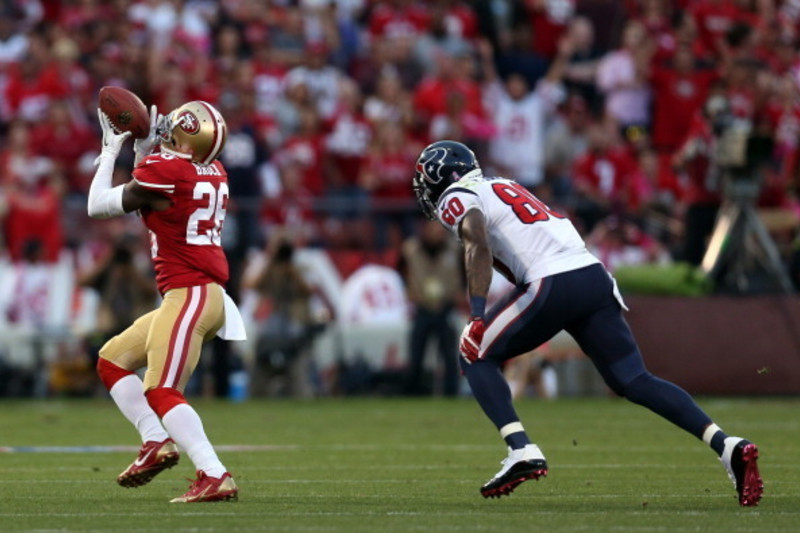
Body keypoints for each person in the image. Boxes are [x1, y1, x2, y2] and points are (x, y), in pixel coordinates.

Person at [411, 140, 763, 506]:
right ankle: (727, 445)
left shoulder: (457, 194)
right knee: (634, 379)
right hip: (593, 276)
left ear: (440, 176)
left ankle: (521, 449)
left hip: (552, 280)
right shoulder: (503, 184)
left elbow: (477, 242)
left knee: (474, 353)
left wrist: (477, 314)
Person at [87, 100, 246, 503]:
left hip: (191, 292)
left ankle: (214, 473)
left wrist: (110, 151)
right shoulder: (208, 170)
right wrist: (144, 150)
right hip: (192, 294)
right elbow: (153, 201)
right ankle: (155, 441)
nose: (165, 131)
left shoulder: (170, 172)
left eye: (173, 129)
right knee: (112, 359)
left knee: (161, 389)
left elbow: (98, 205)